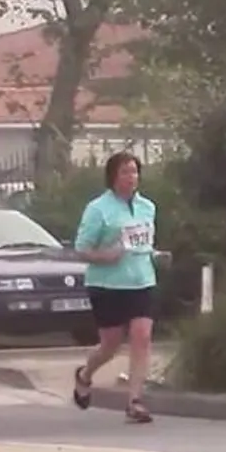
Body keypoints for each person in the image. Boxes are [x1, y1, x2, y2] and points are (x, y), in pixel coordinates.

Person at [67, 152, 158, 423]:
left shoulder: (147, 207)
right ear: (113, 177)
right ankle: (85, 375)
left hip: (142, 280)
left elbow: (144, 242)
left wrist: (155, 254)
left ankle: (135, 401)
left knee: (142, 337)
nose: (131, 178)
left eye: (134, 172)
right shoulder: (98, 209)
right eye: (124, 173)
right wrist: (104, 256)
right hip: (107, 284)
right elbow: (82, 249)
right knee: (111, 345)